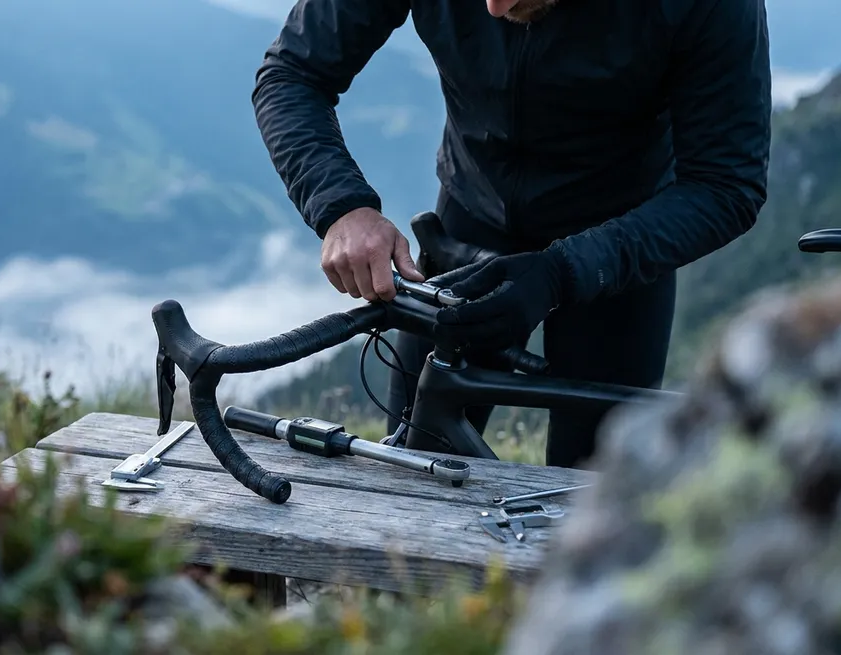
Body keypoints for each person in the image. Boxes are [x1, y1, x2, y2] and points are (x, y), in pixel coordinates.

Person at [250, 0, 772, 468]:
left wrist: (562, 270)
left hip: (618, 249)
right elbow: (292, 73)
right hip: (467, 220)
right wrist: (342, 207)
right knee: (413, 479)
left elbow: (726, 185)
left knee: (592, 497)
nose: (494, 8)